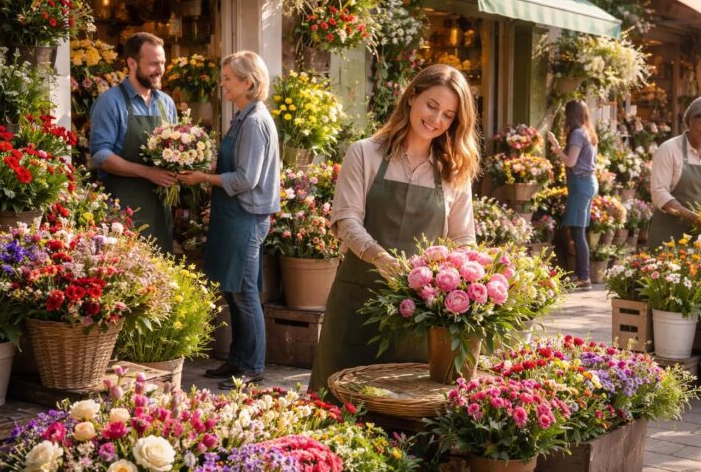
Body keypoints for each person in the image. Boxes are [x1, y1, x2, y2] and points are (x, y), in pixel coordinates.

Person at [309, 64, 479, 392]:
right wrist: (381, 259)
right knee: (340, 402)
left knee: (406, 406)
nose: (436, 119)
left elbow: (462, 238)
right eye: (432, 106)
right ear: (412, 96)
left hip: (418, 313)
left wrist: (466, 282)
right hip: (357, 302)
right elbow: (346, 220)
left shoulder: (453, 172)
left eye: (448, 115)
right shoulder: (365, 153)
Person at [177, 51, 280, 389]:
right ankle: (237, 360)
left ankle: (252, 367)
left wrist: (204, 179)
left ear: (248, 83)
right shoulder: (241, 117)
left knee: (245, 292)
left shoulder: (254, 122)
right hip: (234, 215)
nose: (222, 84)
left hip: (246, 216)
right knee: (232, 290)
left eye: (227, 79)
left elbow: (247, 179)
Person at [89, 32, 178, 253]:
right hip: (123, 209)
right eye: (153, 63)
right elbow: (101, 155)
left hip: (160, 208)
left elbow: (176, 150)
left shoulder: (166, 103)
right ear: (132, 63)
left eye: (163, 63)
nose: (160, 70)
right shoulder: (110, 102)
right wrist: (147, 172)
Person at [647, 96, 701, 249]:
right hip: (668, 235)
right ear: (691, 119)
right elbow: (659, 192)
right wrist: (692, 217)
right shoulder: (669, 149)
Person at [546, 101, 598, 291]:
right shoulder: (588, 132)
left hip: (580, 184)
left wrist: (556, 147)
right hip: (587, 182)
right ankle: (581, 275)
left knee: (578, 232)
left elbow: (570, 162)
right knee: (579, 230)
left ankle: (584, 277)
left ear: (571, 114)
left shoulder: (577, 134)